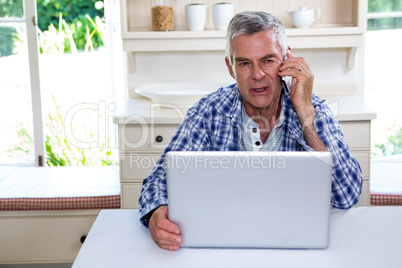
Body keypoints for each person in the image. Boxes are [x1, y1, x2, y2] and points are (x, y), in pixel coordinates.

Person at [138, 11, 362, 251]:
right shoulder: (208, 111)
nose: (257, 75)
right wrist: (158, 212)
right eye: (245, 63)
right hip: (222, 242)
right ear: (230, 67)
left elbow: (346, 194)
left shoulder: (312, 107)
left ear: (286, 59)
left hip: (294, 244)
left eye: (267, 60)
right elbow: (160, 178)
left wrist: (305, 114)